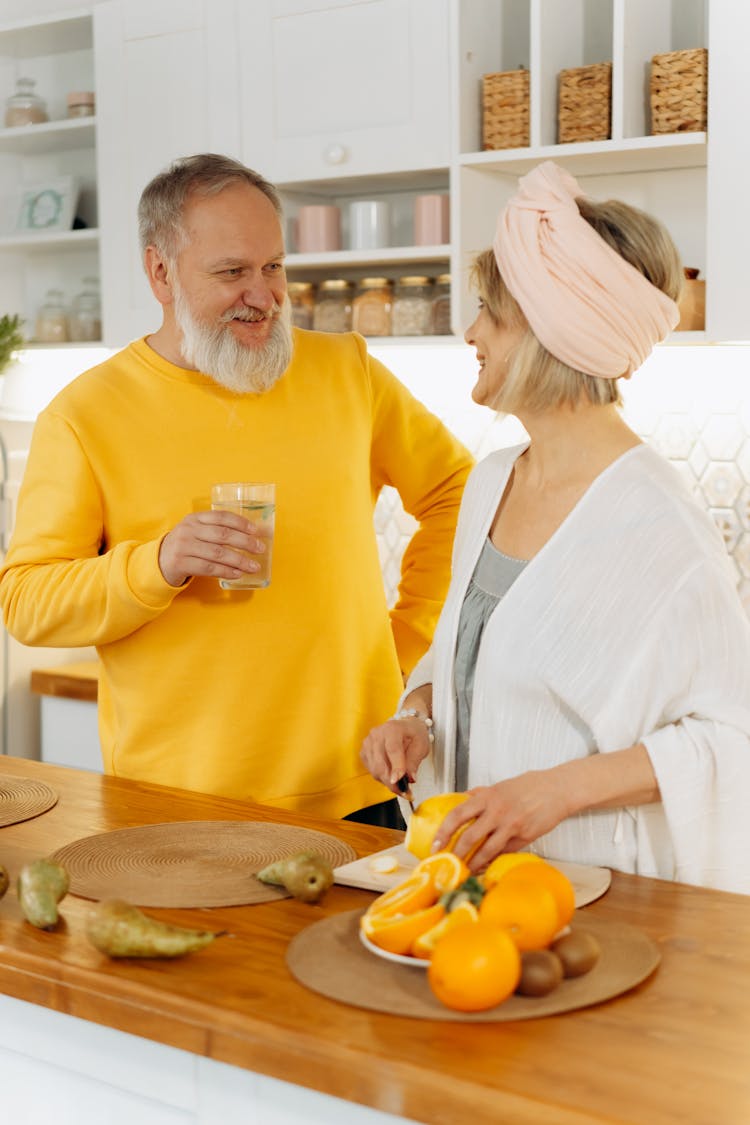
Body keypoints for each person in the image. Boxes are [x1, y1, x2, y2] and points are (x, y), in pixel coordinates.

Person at [0, 153, 473, 826]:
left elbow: (458, 491)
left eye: (274, 266)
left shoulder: (347, 370)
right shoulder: (84, 415)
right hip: (177, 803)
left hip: (359, 787)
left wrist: (406, 642)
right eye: (232, 272)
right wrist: (157, 563)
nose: (265, 294)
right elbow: (26, 601)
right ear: (160, 272)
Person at [360, 160, 750, 892]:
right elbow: (472, 656)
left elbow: (730, 739)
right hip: (473, 885)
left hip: (593, 898)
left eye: (491, 313)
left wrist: (553, 791)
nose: (469, 330)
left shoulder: (663, 532)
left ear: (550, 332)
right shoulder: (491, 480)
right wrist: (420, 718)